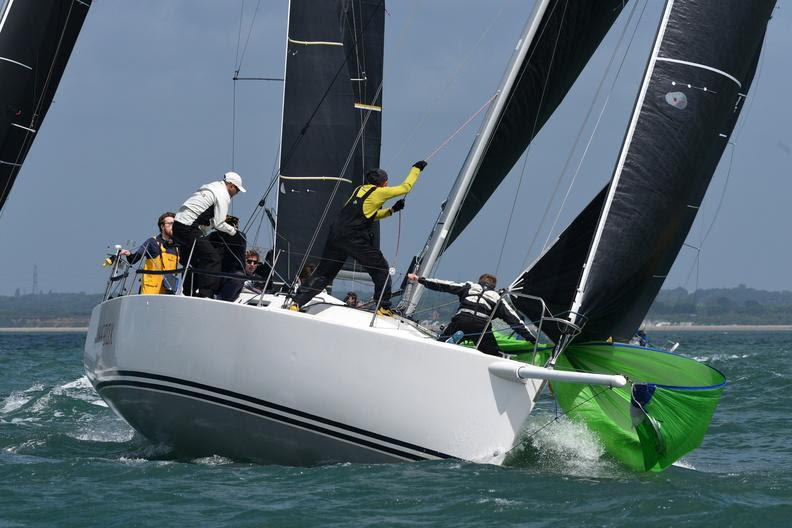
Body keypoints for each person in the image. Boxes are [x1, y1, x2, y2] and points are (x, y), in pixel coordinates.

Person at [290, 161, 428, 315]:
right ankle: (383, 307)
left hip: (335, 235)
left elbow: (367, 215)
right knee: (381, 269)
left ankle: (296, 302)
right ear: (384, 183)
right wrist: (416, 169)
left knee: (323, 274)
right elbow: (405, 188)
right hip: (353, 238)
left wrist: (392, 210)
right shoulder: (379, 192)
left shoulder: (359, 190)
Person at [406, 272, 535, 356]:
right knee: (492, 353)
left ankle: (448, 342)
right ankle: (497, 357)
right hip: (480, 326)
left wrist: (420, 279)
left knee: (440, 344)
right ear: (493, 286)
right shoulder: (497, 297)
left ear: (479, 282)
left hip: (461, 320)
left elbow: (444, 285)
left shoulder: (469, 287)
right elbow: (514, 320)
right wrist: (531, 338)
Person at [172, 171, 245, 298]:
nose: (237, 193)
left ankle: (188, 292)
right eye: (237, 190)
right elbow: (219, 223)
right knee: (213, 258)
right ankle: (206, 294)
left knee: (194, 259)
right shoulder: (223, 194)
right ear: (231, 186)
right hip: (188, 227)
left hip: (178, 225)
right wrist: (234, 232)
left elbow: (204, 217)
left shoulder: (212, 187)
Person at [120, 212, 180, 294]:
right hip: (150, 292)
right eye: (170, 224)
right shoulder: (152, 242)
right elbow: (133, 260)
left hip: (168, 290)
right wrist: (128, 254)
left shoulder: (178, 246)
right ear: (162, 226)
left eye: (174, 224)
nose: (173, 227)